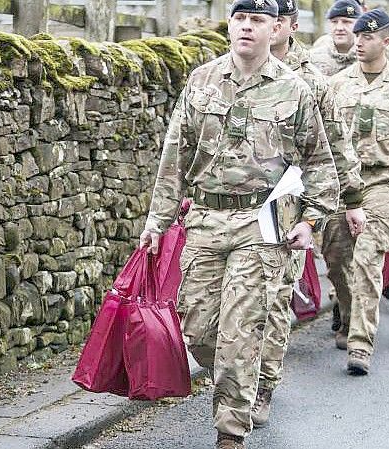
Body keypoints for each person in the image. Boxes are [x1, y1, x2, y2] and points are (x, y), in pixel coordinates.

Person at [139, 0, 340, 446]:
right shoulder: (202, 81)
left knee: (240, 329)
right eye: (241, 19)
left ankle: (230, 431)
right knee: (198, 327)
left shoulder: (295, 90)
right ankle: (243, 377)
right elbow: (174, 159)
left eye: (258, 21)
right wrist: (157, 221)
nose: (247, 27)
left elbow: (321, 165)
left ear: (276, 30)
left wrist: (311, 220)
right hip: (206, 220)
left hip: (261, 224)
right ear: (230, 25)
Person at [252, 0, 365, 428]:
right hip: (239, 207)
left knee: (278, 296)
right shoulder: (232, 71)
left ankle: (262, 387)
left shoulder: (312, 80)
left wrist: (351, 200)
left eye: (278, 18)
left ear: (290, 25)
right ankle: (239, 374)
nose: (270, 25)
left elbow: (337, 145)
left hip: (293, 206)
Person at [322, 8, 389, 375]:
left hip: (380, 183)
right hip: (338, 184)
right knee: (336, 260)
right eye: (357, 35)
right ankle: (349, 316)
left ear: (386, 41)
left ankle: (361, 343)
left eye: (367, 37)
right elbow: (323, 140)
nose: (359, 42)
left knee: (368, 263)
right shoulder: (337, 85)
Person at [310, 0, 364, 76]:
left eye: (346, 22)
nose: (339, 28)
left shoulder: (369, 56)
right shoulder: (313, 57)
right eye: (334, 22)